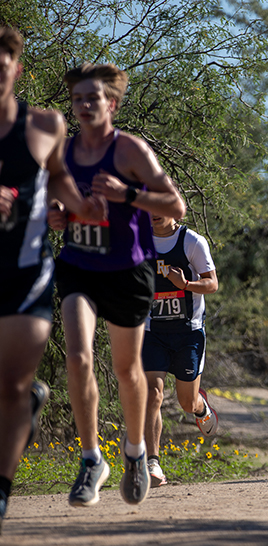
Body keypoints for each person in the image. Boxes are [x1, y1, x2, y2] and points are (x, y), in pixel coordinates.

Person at [48, 62, 186, 507]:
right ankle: (91, 459)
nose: (84, 106)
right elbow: (56, 196)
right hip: (79, 265)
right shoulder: (64, 151)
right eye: (77, 99)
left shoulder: (130, 151)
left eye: (93, 98)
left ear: (112, 103)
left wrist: (127, 194)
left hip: (128, 271)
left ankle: (135, 451)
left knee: (128, 371)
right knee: (79, 354)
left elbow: (175, 205)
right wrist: (56, 213)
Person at [0, 27, 105, 531]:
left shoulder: (43, 125)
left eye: (3, 64)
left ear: (17, 70)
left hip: (27, 274)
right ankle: (30, 400)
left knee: (14, 383)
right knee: (10, 388)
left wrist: (78, 207)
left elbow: (60, 182)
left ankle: (0, 491)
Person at [142, 214, 219, 487]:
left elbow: (212, 283)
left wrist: (185, 285)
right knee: (153, 393)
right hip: (153, 332)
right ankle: (152, 463)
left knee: (186, 403)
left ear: (176, 208)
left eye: (162, 203)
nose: (156, 211)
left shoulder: (191, 242)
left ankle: (201, 406)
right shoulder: (138, 239)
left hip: (189, 333)